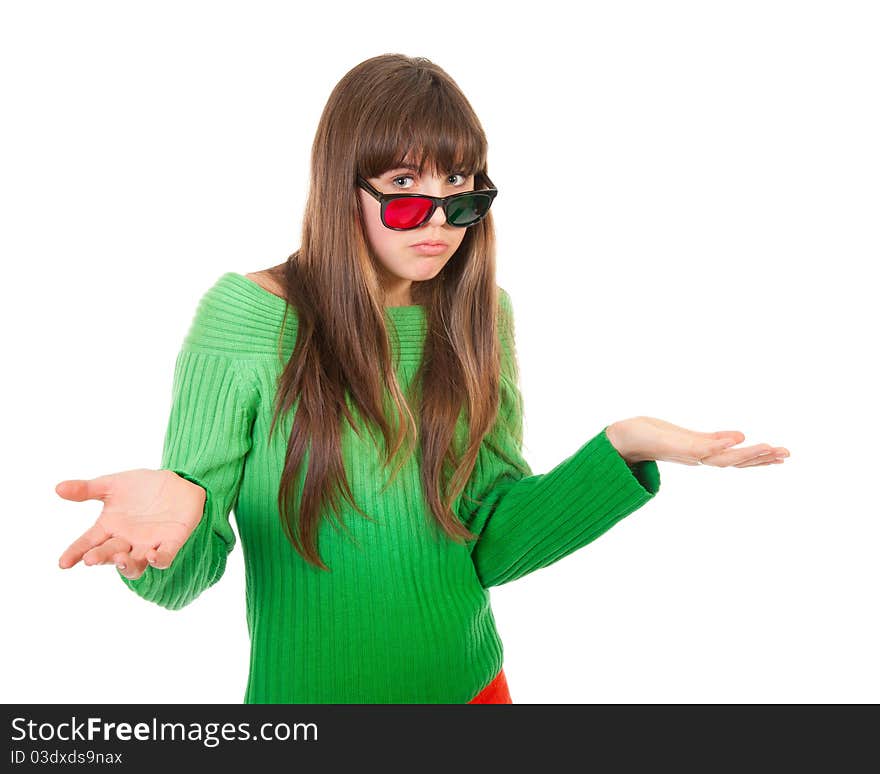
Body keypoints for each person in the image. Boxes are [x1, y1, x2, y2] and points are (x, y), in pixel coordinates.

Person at [55, 54, 790, 704]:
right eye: (404, 185)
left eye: (461, 186)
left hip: (473, 694)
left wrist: (621, 451)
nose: (438, 219)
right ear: (345, 189)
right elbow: (184, 572)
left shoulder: (479, 316)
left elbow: (490, 545)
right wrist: (157, 550)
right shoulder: (248, 317)